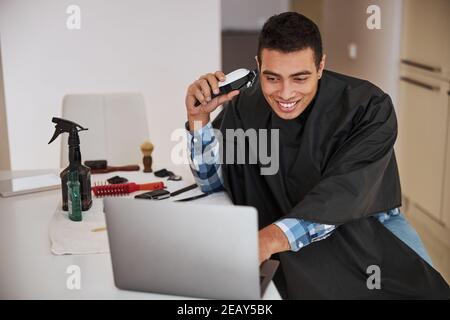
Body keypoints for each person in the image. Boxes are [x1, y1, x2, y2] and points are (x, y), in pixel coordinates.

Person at [184, 12, 449, 299]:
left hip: (367, 230)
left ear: (321, 66)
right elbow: (213, 185)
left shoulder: (369, 108)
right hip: (284, 234)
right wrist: (198, 120)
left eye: (300, 78)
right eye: (272, 77)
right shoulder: (244, 106)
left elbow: (343, 195)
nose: (286, 93)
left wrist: (266, 241)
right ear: (258, 66)